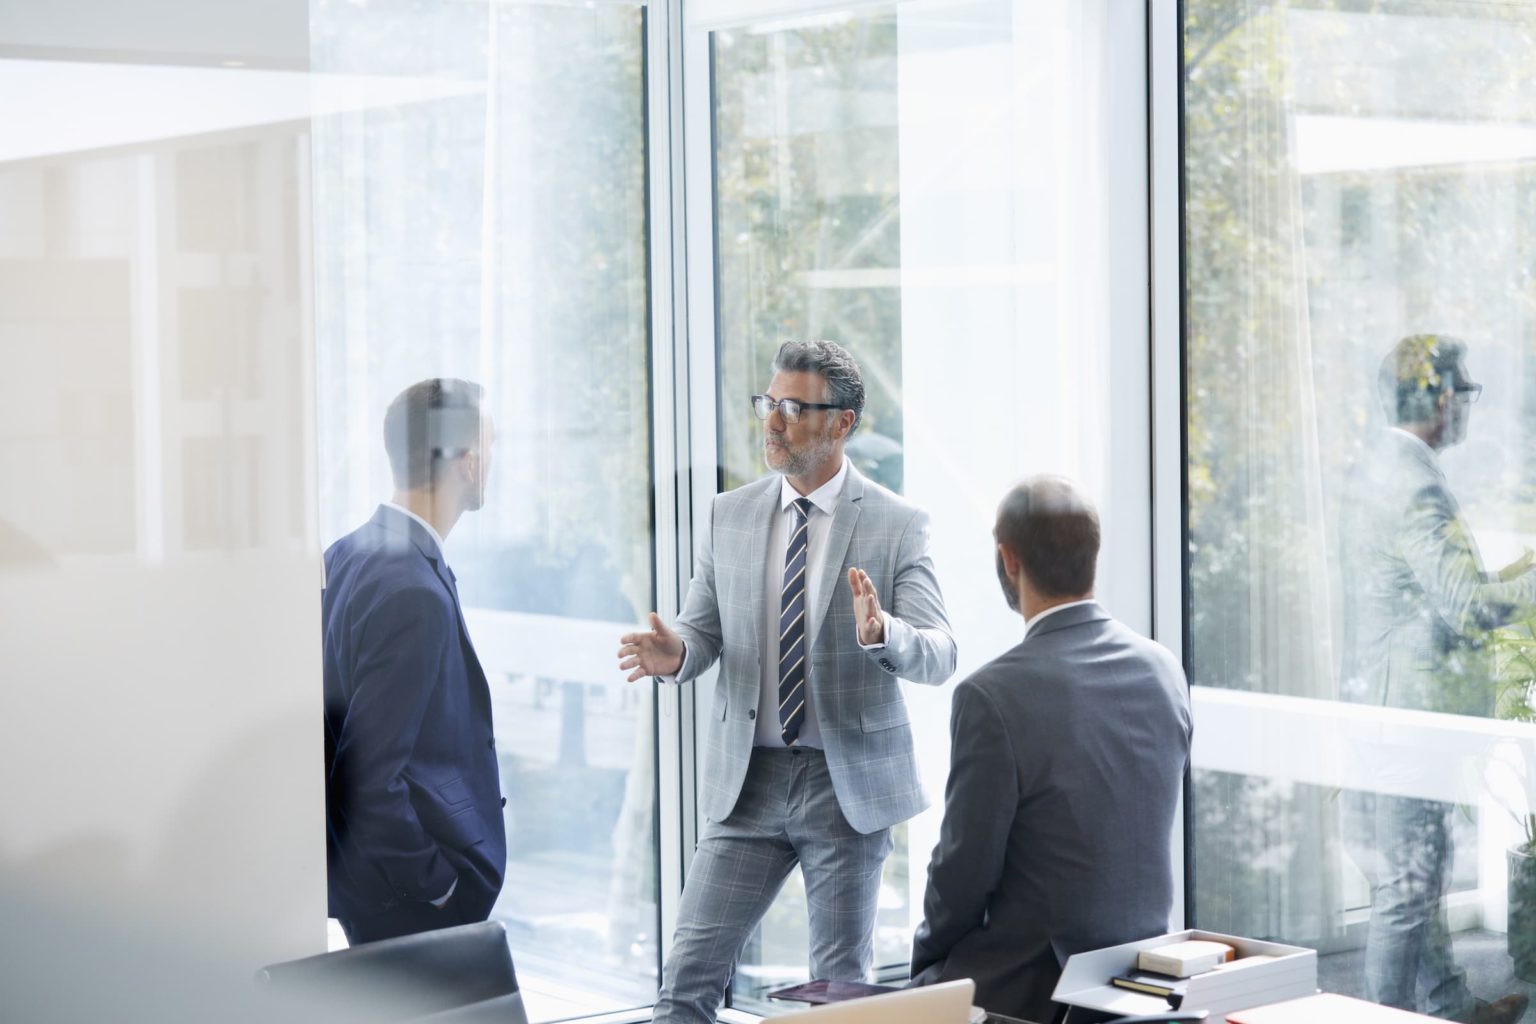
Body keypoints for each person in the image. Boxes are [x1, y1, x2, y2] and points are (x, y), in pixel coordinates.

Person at [618, 340, 957, 1024]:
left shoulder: (897, 525)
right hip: (747, 784)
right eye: (769, 403)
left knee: (835, 998)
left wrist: (881, 632)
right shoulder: (729, 515)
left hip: (845, 786)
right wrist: (675, 654)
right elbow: (702, 631)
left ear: (843, 424)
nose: (773, 421)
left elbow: (941, 653)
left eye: (795, 408)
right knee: (684, 986)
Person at [908, 475, 1191, 1023]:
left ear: (1008, 560)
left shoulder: (992, 695)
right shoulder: (1163, 668)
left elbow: (963, 871)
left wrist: (927, 966)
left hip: (1034, 986)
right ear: (1093, 554)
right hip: (1142, 975)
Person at [1340, 335, 1535, 1024]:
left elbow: (1429, 590)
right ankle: (1384, 1018)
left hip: (1384, 701)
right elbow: (1466, 604)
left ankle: (1448, 1004)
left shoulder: (1381, 464)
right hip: (1410, 716)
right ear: (1440, 397)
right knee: (1407, 888)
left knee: (1412, 876)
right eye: (1467, 391)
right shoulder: (1413, 479)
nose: (1470, 406)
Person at [323, 378, 506, 945]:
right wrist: (438, 887)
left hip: (369, 891)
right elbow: (369, 777)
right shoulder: (411, 589)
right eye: (490, 447)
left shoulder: (348, 554)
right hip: (406, 903)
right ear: (468, 462)